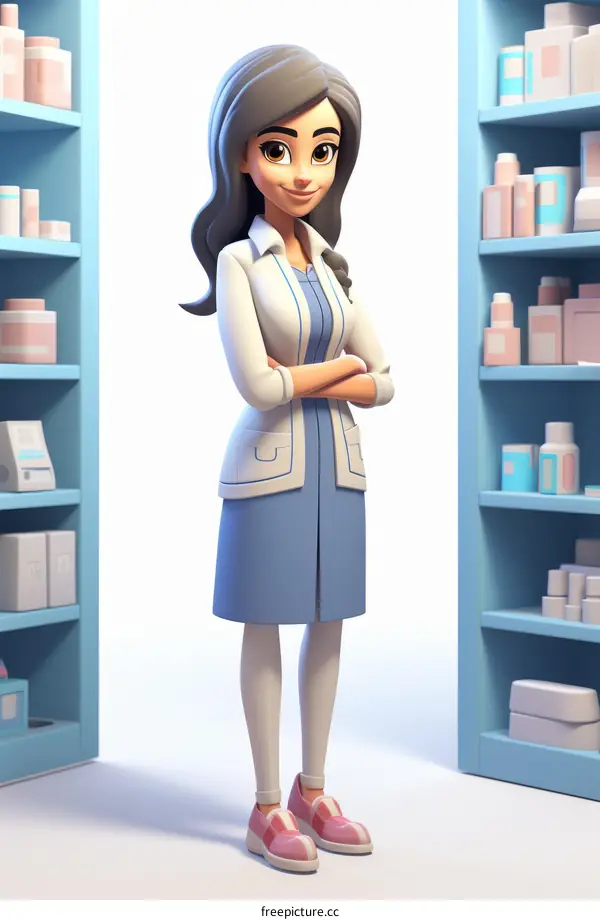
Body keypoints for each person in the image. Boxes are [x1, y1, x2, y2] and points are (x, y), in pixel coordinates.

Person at [182, 44, 394, 873]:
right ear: (241, 151)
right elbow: (259, 385)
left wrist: (338, 378)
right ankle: (267, 804)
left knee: (329, 623)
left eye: (323, 150)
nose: (302, 171)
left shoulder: (335, 266)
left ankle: (316, 785)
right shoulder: (241, 260)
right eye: (279, 147)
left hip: (337, 467)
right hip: (270, 469)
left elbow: (390, 378)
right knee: (265, 624)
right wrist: (342, 372)